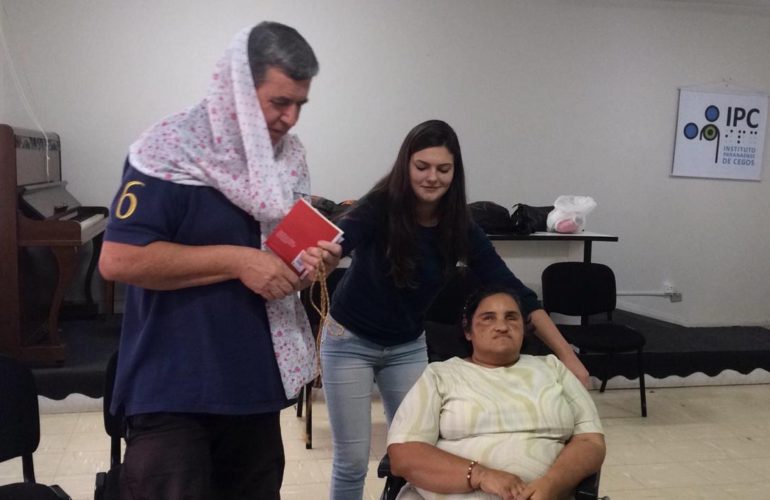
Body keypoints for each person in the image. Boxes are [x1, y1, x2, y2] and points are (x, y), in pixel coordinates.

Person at [98, 22, 341, 500]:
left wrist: (314, 263)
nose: (291, 118)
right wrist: (237, 261)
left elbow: (283, 262)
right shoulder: (170, 148)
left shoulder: (287, 158)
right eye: (279, 102)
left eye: (300, 105)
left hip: (253, 381)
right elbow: (119, 259)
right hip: (174, 387)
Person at [321, 119, 590, 500]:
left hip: (406, 346)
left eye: (443, 169)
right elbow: (339, 242)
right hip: (349, 341)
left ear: (454, 172)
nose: (432, 177)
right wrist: (327, 254)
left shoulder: (459, 225)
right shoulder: (380, 206)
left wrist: (567, 356)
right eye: (422, 167)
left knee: (420, 450)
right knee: (350, 461)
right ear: (406, 166)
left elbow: (516, 291)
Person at [387, 285, 606, 500]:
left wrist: (552, 485)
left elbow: (590, 441)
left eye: (511, 317)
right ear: (467, 331)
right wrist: (479, 475)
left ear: (524, 327)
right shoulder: (440, 375)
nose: (502, 326)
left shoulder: (553, 369)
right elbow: (405, 453)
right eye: (488, 318)